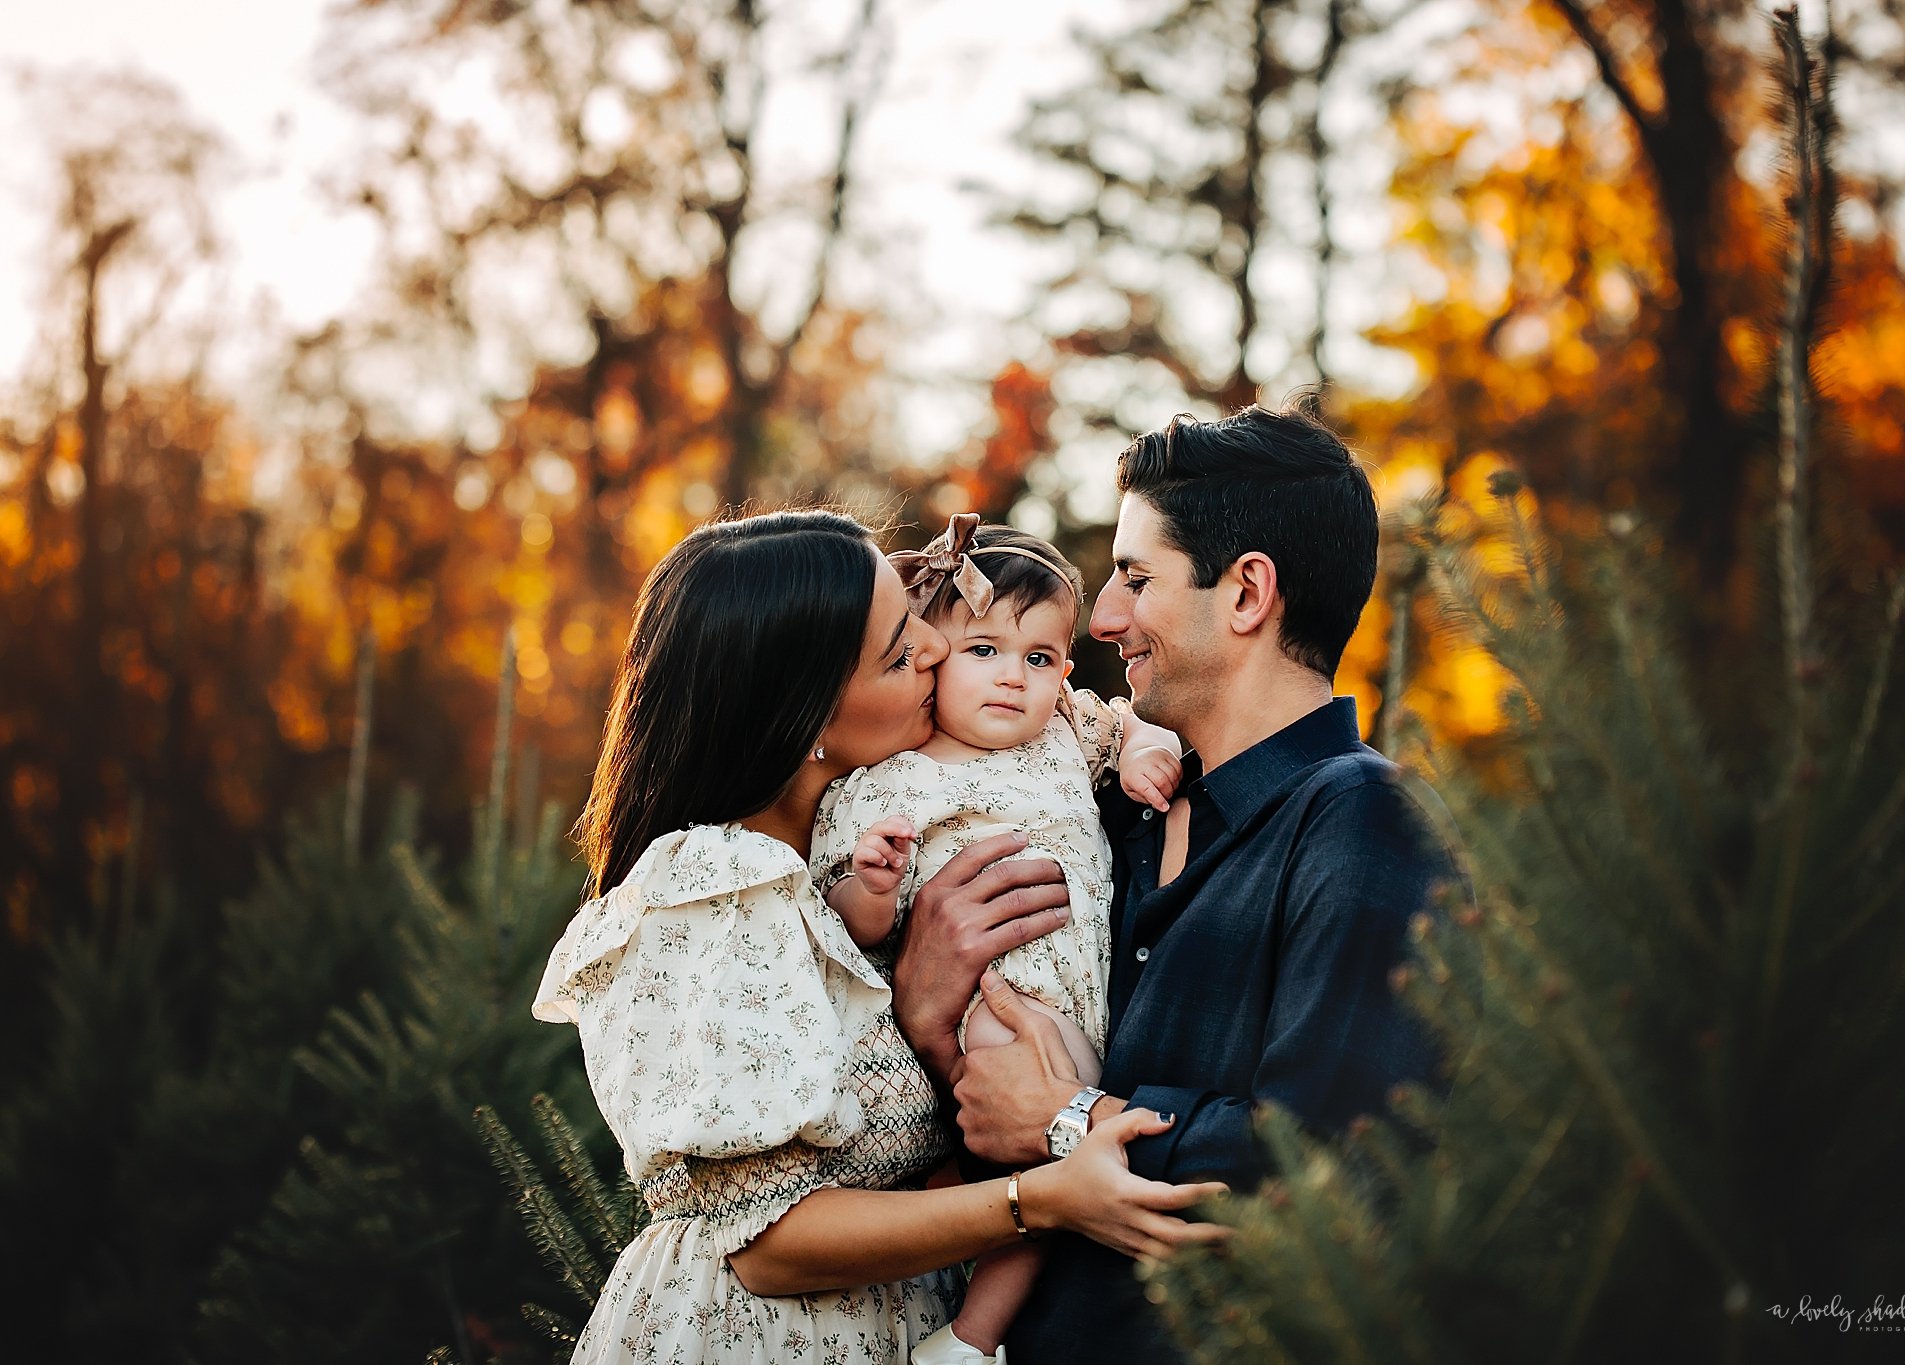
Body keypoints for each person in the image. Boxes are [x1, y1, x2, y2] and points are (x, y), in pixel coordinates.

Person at [531, 509, 1227, 1365]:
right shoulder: (713, 885)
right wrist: (1040, 1199)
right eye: (902, 650)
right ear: (809, 713)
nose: (939, 651)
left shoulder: (861, 862)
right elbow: (769, 1243)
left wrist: (929, 1010)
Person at [890, 407, 1455, 1364]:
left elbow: (1342, 1170)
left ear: (1246, 593)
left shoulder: (1362, 820)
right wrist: (923, 999)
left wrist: (1068, 1120)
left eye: (1136, 577)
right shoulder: (1111, 808)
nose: (1103, 618)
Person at [811, 516, 1184, 1364]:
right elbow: (848, 917)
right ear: (930, 660)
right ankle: (974, 1339)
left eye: (1041, 658)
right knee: (1044, 1158)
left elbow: (1143, 724)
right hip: (994, 1003)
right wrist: (871, 883)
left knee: (1000, 1162)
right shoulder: (892, 781)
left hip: (1084, 998)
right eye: (983, 650)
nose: (1014, 679)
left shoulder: (1066, 735)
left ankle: (963, 1301)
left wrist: (1142, 757)